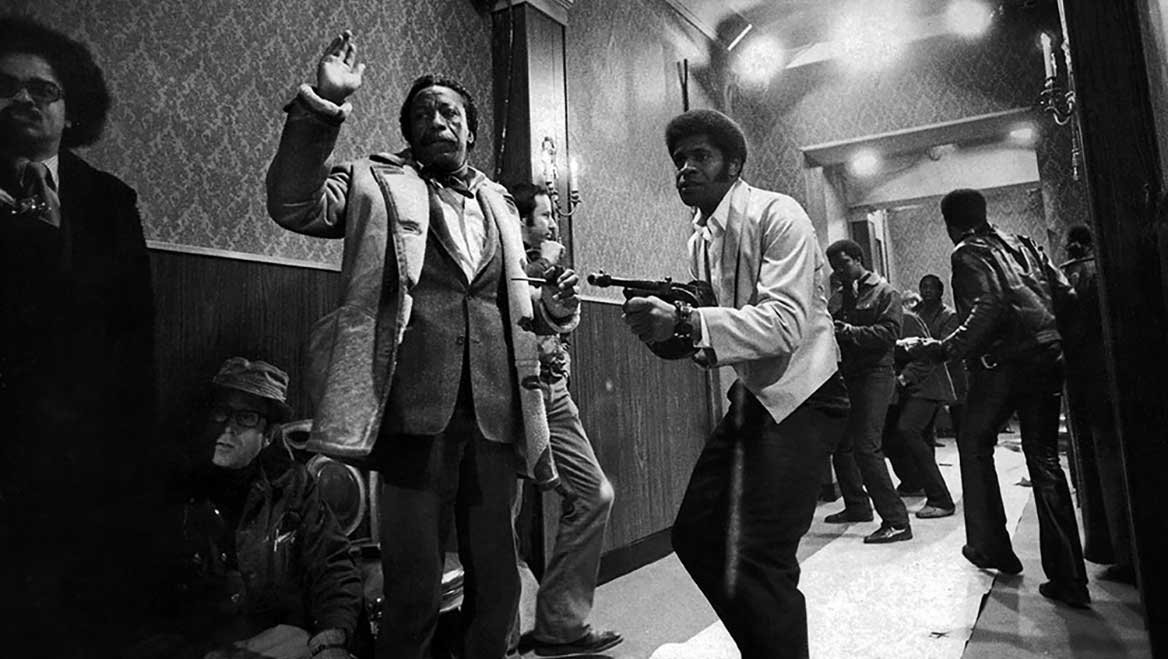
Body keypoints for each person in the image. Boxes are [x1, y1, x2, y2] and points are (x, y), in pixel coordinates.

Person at [265, 30, 581, 658]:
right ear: (409, 132)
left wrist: (550, 312)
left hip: (495, 416)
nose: (436, 120)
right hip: (413, 418)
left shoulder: (498, 202)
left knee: (497, 586)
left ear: (469, 132)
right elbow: (293, 202)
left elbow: (509, 302)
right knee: (411, 593)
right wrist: (324, 104)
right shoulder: (374, 184)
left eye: (450, 113)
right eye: (422, 114)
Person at [622, 108, 849, 658]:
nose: (685, 169)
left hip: (807, 396)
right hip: (753, 398)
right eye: (680, 159)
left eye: (701, 156)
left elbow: (784, 324)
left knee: (760, 555)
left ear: (734, 164)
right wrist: (664, 334)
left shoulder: (779, 213)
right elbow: (711, 340)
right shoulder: (700, 240)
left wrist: (685, 322)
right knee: (696, 536)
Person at [0, 16, 157, 656]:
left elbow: (136, 335)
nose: (26, 98)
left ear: (72, 110)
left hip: (93, 462)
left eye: (45, 89)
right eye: (7, 85)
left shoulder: (112, 202)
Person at [905, 188, 1089, 608]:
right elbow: (1068, 296)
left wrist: (945, 349)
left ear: (949, 224)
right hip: (1047, 356)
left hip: (1004, 364)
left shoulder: (967, 251)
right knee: (1044, 460)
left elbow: (988, 304)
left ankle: (992, 549)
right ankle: (1070, 578)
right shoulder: (1022, 243)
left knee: (973, 445)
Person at [145, 358, 363, 659]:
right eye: (222, 413)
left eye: (246, 418)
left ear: (268, 435)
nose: (228, 428)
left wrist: (332, 637)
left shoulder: (293, 487)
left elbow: (332, 567)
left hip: (275, 641)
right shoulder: (178, 489)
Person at [508, 182, 621, 656]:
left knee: (594, 495)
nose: (553, 223)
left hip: (554, 398)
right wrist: (541, 266)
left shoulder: (543, 266)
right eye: (544, 215)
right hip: (509, 399)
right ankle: (510, 631)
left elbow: (559, 318)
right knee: (498, 516)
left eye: (555, 214)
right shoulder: (507, 260)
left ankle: (558, 623)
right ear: (521, 221)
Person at [823, 239, 913, 544]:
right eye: (835, 266)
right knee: (842, 445)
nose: (839, 270)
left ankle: (897, 521)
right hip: (847, 375)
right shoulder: (836, 298)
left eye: (844, 263)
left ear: (859, 258)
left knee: (866, 446)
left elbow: (890, 333)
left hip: (876, 374)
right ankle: (858, 507)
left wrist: (851, 333)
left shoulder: (885, 292)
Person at [1060, 225, 1133, 583]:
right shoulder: (1110, 267)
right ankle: (1132, 551)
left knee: (1097, 464)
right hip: (1118, 373)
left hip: (1081, 379)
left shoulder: (1065, 275)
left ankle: (1115, 549)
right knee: (1121, 462)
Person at [885, 295, 956, 519]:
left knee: (908, 430)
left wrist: (904, 378)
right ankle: (914, 483)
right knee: (902, 435)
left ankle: (940, 498)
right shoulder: (890, 320)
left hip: (928, 385)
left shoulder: (907, 319)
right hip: (912, 389)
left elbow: (928, 355)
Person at [916, 274, 966, 444]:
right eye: (923, 287)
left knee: (961, 427)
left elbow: (946, 346)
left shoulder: (950, 315)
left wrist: (921, 347)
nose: (927, 291)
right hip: (924, 375)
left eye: (931, 287)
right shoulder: (916, 313)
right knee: (923, 429)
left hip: (950, 374)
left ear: (940, 291)